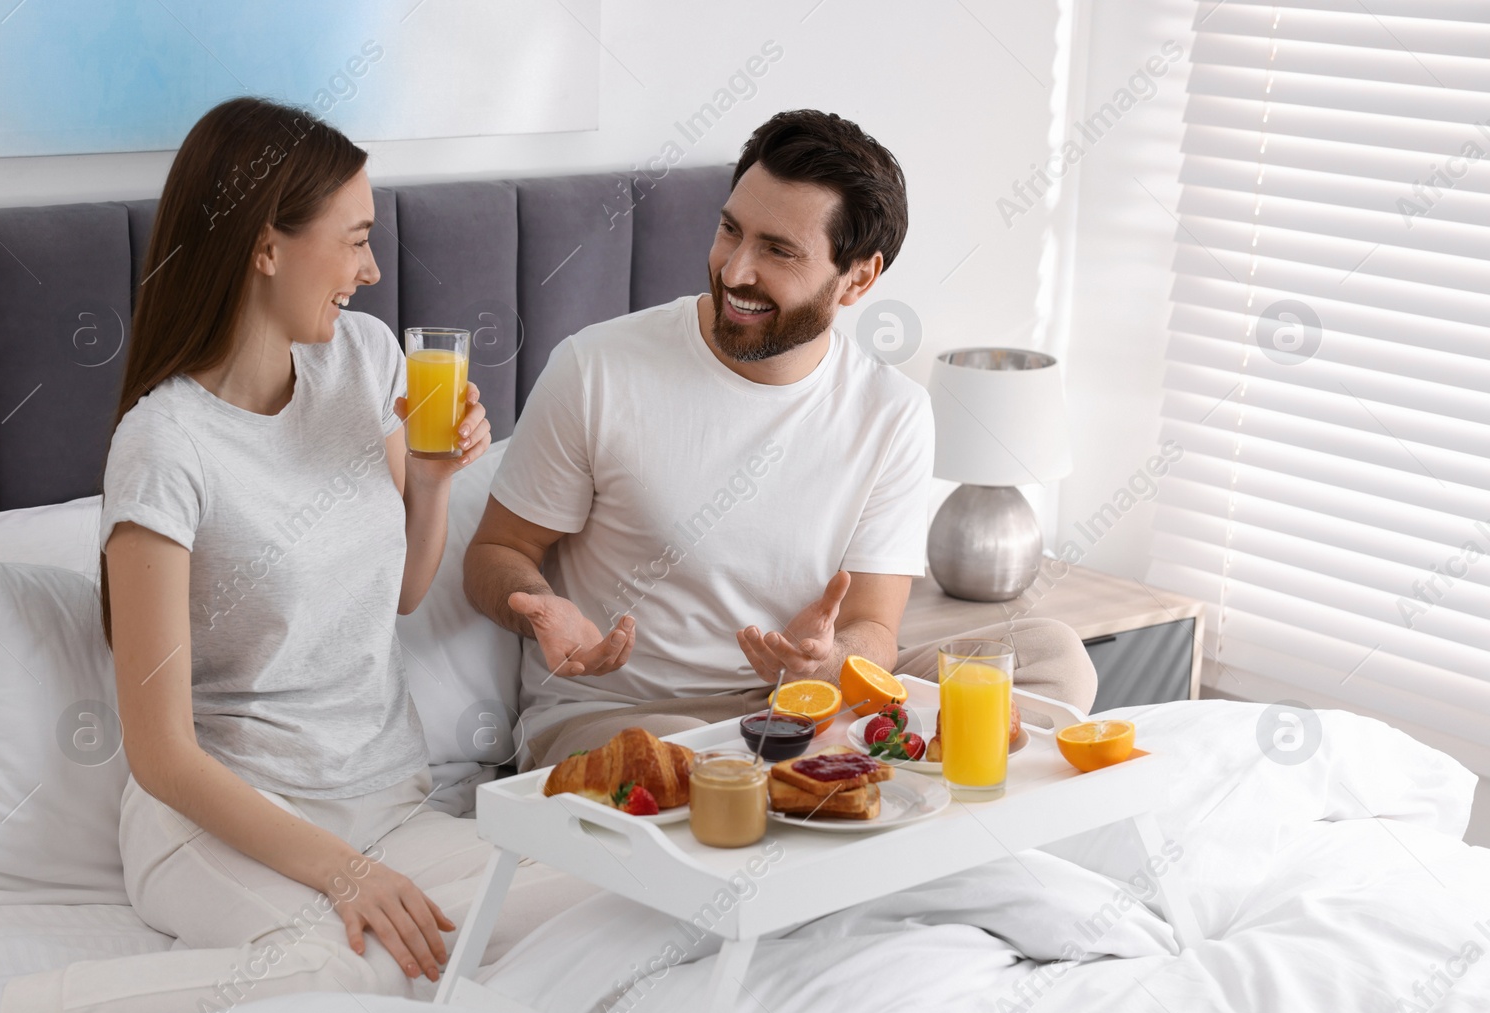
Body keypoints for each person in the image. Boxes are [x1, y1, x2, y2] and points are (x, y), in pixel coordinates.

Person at [0, 98, 593, 1013]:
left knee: (600, 882)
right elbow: (163, 753)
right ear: (267, 245)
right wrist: (346, 877)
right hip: (213, 818)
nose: (371, 270)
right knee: (350, 964)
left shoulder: (368, 360)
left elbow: (395, 594)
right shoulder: (165, 445)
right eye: (352, 241)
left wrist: (429, 488)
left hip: (387, 799)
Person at [464, 110, 1096, 767]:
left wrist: (831, 659)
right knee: (716, 771)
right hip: (624, 715)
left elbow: (875, 628)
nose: (735, 270)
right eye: (730, 230)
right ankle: (860, 782)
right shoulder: (597, 369)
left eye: (778, 250)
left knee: (1052, 655)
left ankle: (850, 781)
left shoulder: (893, 412)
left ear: (857, 279)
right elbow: (496, 550)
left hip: (809, 707)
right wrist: (539, 607)